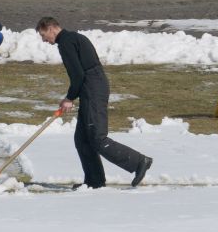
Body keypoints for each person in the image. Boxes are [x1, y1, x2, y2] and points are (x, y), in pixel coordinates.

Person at [36, 16, 152, 188]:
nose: (44, 40)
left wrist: (69, 98)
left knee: (97, 137)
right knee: (82, 139)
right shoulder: (75, 37)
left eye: (43, 34)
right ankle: (94, 181)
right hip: (93, 85)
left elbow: (78, 75)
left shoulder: (66, 43)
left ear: (51, 28)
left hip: (93, 88)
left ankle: (138, 162)